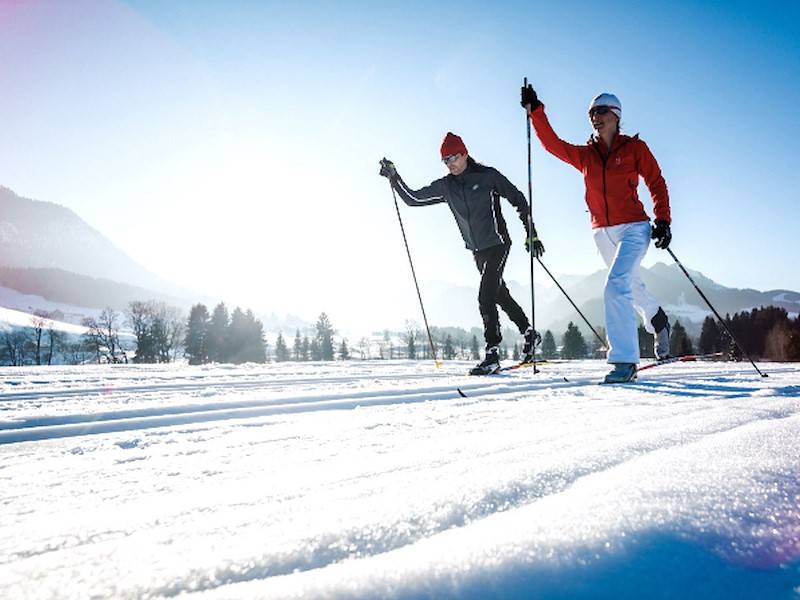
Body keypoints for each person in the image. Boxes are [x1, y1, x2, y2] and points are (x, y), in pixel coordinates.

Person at [521, 85, 672, 384]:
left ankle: (625, 360)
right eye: (591, 113)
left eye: (600, 111)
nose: (595, 117)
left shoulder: (634, 149)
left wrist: (663, 220)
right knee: (629, 284)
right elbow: (552, 144)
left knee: (615, 286)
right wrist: (536, 111)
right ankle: (658, 320)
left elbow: (656, 182)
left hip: (634, 228)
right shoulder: (586, 155)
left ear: (615, 115)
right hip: (601, 232)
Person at [379, 132, 545, 375]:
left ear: (465, 153)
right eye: (445, 160)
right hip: (476, 250)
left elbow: (518, 199)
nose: (450, 163)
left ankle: (492, 353)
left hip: (498, 244)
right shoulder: (447, 186)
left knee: (485, 295)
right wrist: (394, 177)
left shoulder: (487, 176)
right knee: (498, 294)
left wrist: (531, 232)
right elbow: (413, 199)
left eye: (454, 157)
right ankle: (530, 333)